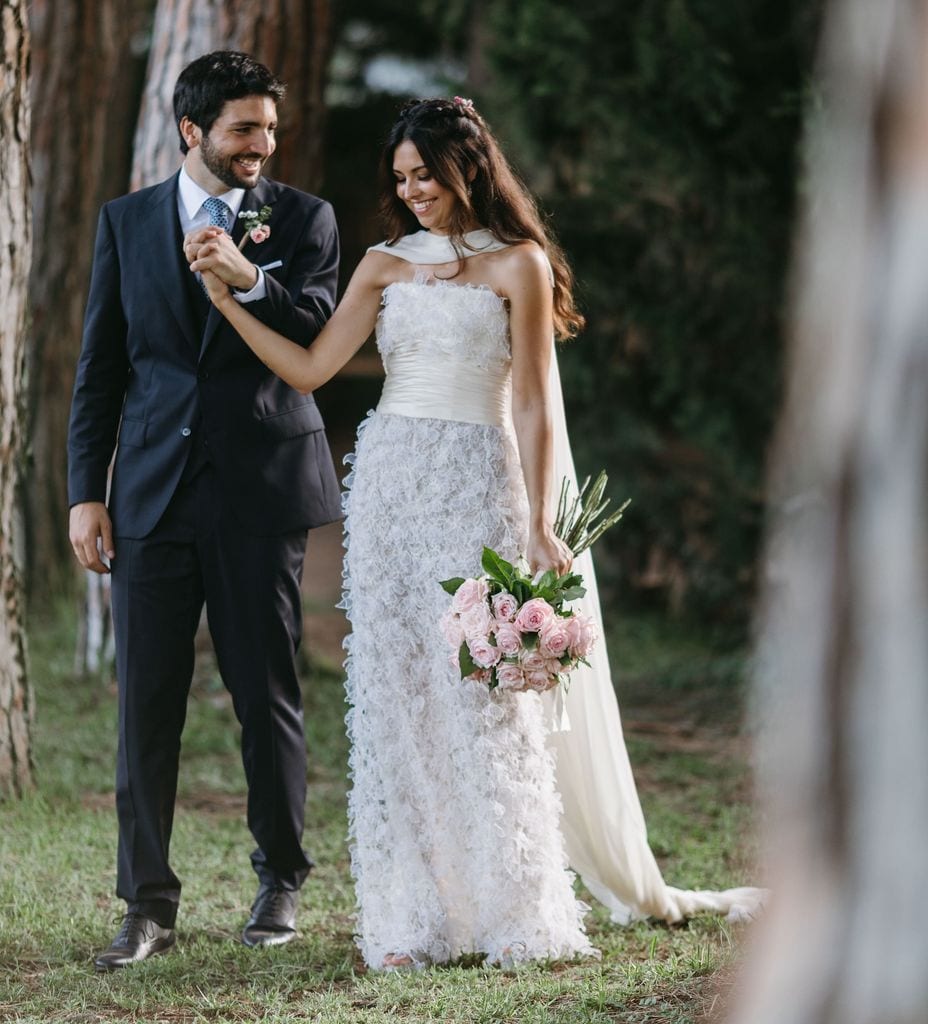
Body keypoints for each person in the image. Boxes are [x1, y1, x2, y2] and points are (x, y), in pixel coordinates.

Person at [188, 96, 764, 970]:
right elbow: (310, 368)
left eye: (425, 175)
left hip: (477, 485)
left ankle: (519, 913)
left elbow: (531, 397)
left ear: (467, 169)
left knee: (484, 697)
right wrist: (231, 303)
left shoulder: (519, 264)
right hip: (389, 488)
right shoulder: (383, 263)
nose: (412, 191)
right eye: (401, 179)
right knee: (399, 694)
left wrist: (536, 520)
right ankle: (417, 918)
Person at [67, 51, 341, 970]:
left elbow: (318, 328)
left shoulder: (304, 220)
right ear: (193, 131)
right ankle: (146, 903)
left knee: (264, 695)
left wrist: (248, 279)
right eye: (244, 130)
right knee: (146, 705)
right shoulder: (127, 222)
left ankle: (282, 879)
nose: (263, 144)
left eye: (268, 127)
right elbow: (101, 370)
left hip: (259, 493)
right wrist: (85, 494)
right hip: (148, 496)